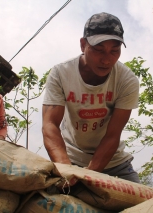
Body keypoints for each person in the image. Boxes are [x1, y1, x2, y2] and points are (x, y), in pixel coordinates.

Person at [42, 12, 140, 183]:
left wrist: (89, 175)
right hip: (70, 158)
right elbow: (50, 125)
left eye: (114, 51)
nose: (106, 60)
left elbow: (112, 135)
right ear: (82, 45)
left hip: (114, 163)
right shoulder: (61, 74)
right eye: (98, 50)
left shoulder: (127, 80)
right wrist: (66, 168)